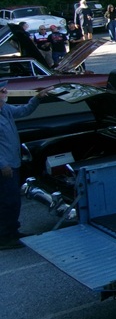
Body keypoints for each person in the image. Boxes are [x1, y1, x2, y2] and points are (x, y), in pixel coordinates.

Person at [1, 80, 49, 249]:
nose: (5, 92)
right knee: (7, 201)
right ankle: (5, 238)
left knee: (13, 200)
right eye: (1, 90)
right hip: (5, 166)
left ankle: (12, 232)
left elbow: (23, 110)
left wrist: (37, 98)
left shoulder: (5, 109)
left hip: (13, 162)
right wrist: (2, 165)